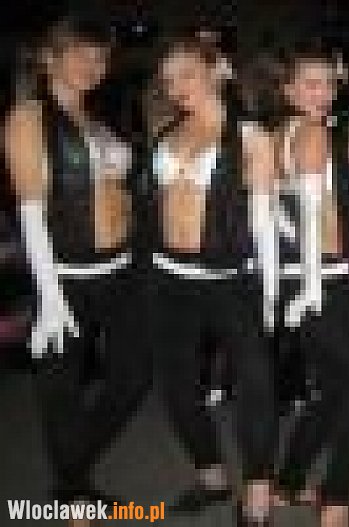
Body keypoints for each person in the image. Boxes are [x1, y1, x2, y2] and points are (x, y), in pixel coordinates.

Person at [4, 17, 148, 519]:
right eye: (81, 53)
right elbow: (30, 210)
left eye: (100, 56)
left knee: (133, 376)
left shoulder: (94, 118)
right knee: (62, 391)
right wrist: (49, 294)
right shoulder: (29, 117)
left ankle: (69, 475)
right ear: (49, 59)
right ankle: (72, 496)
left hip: (119, 268)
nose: (94, 64)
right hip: (66, 272)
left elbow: (112, 192)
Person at [145, 31, 279, 525]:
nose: (177, 87)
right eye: (168, 80)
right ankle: (212, 476)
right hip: (168, 275)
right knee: (177, 385)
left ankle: (258, 492)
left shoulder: (250, 136)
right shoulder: (165, 132)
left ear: (215, 70)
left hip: (229, 276)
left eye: (187, 75)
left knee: (255, 381)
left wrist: (269, 290)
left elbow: (263, 218)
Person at [270, 40, 349, 527]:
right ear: (289, 89)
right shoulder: (314, 132)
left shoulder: (282, 133)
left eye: (329, 84)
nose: (324, 93)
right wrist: (314, 285)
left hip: (303, 274)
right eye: (311, 84)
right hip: (322, 277)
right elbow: (308, 213)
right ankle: (335, 501)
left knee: (336, 390)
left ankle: (289, 482)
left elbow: (277, 214)